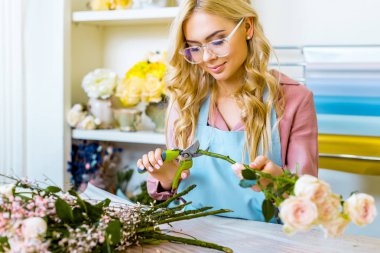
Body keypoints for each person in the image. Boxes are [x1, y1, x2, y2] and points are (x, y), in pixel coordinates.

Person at [137, 0, 318, 221]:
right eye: (195, 47)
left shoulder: (294, 100)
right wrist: (167, 178)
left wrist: (277, 184)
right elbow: (171, 196)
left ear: (247, 27)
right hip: (195, 238)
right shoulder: (185, 99)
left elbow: (308, 200)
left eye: (218, 41)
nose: (207, 58)